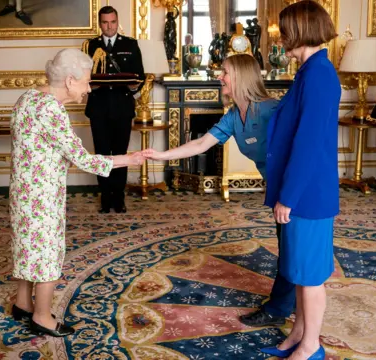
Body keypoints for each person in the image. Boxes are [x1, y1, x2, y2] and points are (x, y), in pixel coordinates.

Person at [9, 48, 143, 337]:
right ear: (70, 81)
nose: (88, 89)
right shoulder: (51, 109)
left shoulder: (28, 98)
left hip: (22, 193)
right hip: (42, 196)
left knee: (28, 247)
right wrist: (128, 159)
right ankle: (42, 316)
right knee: (46, 253)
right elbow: (84, 159)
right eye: (86, 82)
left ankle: (22, 303)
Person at [259, 1, 340, 359]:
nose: (281, 39)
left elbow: (307, 145)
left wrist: (288, 197)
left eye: (284, 31)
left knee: (309, 276)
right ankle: (298, 334)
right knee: (300, 269)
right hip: (304, 191)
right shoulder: (310, 71)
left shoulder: (319, 74)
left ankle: (312, 346)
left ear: (299, 30)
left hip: (308, 194)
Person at [143, 54, 276, 189]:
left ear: (241, 77)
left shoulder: (270, 109)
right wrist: (161, 155)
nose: (219, 76)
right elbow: (201, 144)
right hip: (272, 179)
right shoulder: (233, 116)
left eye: (225, 72)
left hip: (290, 179)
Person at [83, 5, 145, 214]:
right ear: (100, 24)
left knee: (120, 153)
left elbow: (140, 76)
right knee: (101, 154)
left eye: (112, 22)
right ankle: (105, 198)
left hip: (122, 108)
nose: (109, 27)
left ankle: (119, 198)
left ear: (118, 22)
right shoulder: (90, 46)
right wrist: (90, 85)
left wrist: (135, 86)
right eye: (105, 22)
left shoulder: (130, 44)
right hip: (98, 108)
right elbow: (82, 75)